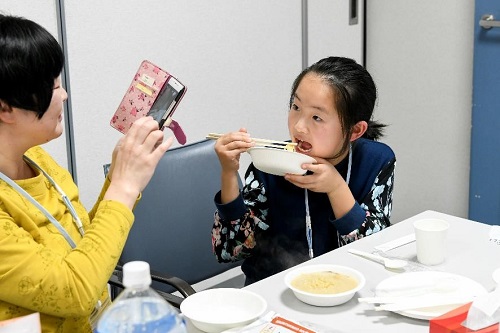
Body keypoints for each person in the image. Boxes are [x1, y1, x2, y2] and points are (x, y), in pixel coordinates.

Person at [0, 14, 173, 332]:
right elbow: (74, 292)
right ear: (5, 108)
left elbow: (85, 246)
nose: (63, 94)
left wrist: (121, 176)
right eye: (52, 85)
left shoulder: (36, 159)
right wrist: (123, 186)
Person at [211, 56, 396, 285]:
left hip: (347, 290)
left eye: (316, 117)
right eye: (296, 107)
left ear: (355, 130)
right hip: (273, 294)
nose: (298, 126)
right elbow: (230, 250)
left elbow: (373, 254)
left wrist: (336, 187)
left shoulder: (376, 161)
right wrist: (229, 173)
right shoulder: (270, 163)